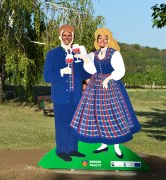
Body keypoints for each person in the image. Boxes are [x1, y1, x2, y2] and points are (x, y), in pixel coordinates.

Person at [70, 28, 141, 159]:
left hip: (111, 86)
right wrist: (85, 59)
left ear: (109, 40)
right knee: (99, 114)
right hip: (96, 86)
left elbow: (120, 70)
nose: (102, 41)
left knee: (112, 114)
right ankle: (103, 144)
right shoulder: (95, 54)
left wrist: (108, 79)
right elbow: (91, 69)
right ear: (97, 40)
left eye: (105, 38)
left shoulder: (114, 54)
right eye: (100, 38)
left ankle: (117, 147)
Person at [43, 25, 91, 161]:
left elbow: (83, 73)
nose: (67, 38)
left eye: (70, 35)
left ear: (73, 37)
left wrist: (93, 77)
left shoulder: (77, 53)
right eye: (65, 35)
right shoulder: (52, 54)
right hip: (60, 96)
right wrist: (61, 72)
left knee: (74, 123)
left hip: (76, 96)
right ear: (60, 36)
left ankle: (73, 149)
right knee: (62, 123)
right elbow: (47, 77)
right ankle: (61, 150)